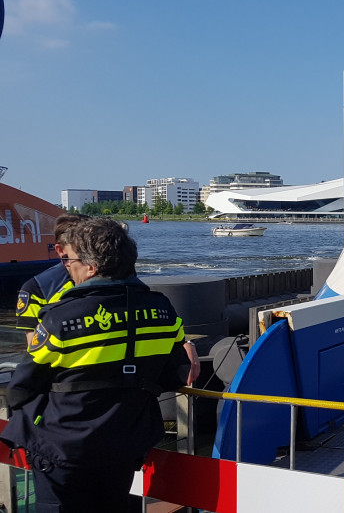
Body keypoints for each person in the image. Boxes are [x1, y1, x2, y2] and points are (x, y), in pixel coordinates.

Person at [0, 218, 193, 513]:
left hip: (65, 449)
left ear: (91, 267)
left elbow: (22, 386)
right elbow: (175, 372)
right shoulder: (163, 309)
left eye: (71, 261)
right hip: (126, 442)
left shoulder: (61, 319)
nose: (67, 267)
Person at [14, 214, 200, 384]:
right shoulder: (37, 289)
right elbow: (35, 354)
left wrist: (185, 344)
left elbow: (24, 383)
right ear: (61, 249)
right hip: (78, 387)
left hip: (96, 397)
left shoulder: (121, 283)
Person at [14, 214, 89, 341]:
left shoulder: (110, 275)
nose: (89, 254)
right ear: (60, 250)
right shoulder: (36, 289)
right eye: (82, 248)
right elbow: (33, 345)